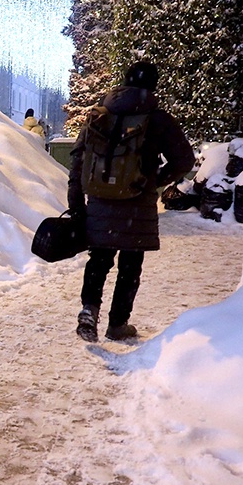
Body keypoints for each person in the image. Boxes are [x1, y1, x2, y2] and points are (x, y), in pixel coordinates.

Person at [68, 61, 195, 342]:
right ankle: (117, 324)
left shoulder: (100, 114)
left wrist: (77, 204)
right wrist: (154, 179)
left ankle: (89, 309)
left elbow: (78, 160)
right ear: (153, 86)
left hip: (100, 202)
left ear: (124, 82)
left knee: (98, 260)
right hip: (137, 205)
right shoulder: (158, 119)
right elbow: (184, 159)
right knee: (129, 266)